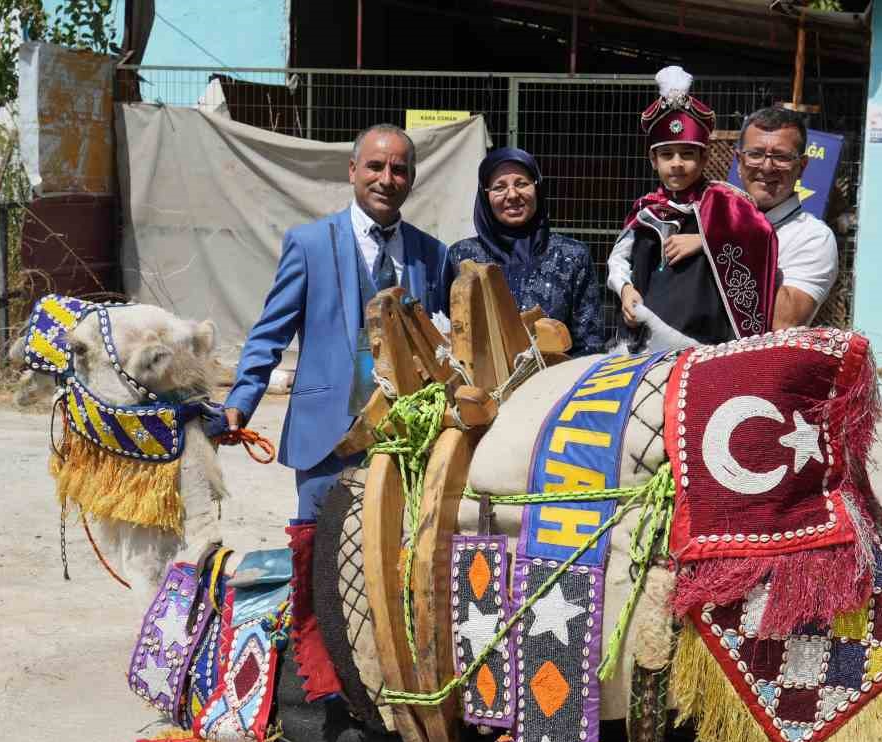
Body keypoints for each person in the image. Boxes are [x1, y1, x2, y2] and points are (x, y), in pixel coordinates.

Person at [223, 124, 454, 520]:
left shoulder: (433, 254)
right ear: (352, 171)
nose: (386, 179)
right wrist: (240, 403)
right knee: (322, 565)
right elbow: (269, 335)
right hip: (327, 437)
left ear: (412, 179)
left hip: (407, 442)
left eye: (399, 170)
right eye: (375, 166)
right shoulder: (309, 245)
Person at [607, 66, 778, 350]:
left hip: (706, 340)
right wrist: (626, 290)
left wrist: (706, 240)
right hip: (648, 334)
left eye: (687, 154)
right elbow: (618, 259)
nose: (677, 163)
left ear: (703, 158)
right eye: (666, 154)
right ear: (653, 160)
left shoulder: (726, 202)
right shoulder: (645, 209)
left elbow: (762, 237)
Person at [447, 147, 606, 356]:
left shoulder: (571, 256)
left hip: (556, 384)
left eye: (522, 184)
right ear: (485, 196)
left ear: (537, 188)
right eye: (499, 187)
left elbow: (590, 346)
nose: (512, 195)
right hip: (479, 386)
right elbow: (448, 335)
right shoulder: (462, 256)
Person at [734, 106, 840, 329]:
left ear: (802, 166)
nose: (767, 166)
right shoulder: (706, 217)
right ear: (739, 162)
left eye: (781, 157)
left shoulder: (813, 238)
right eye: (755, 154)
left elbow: (783, 324)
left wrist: (729, 241)